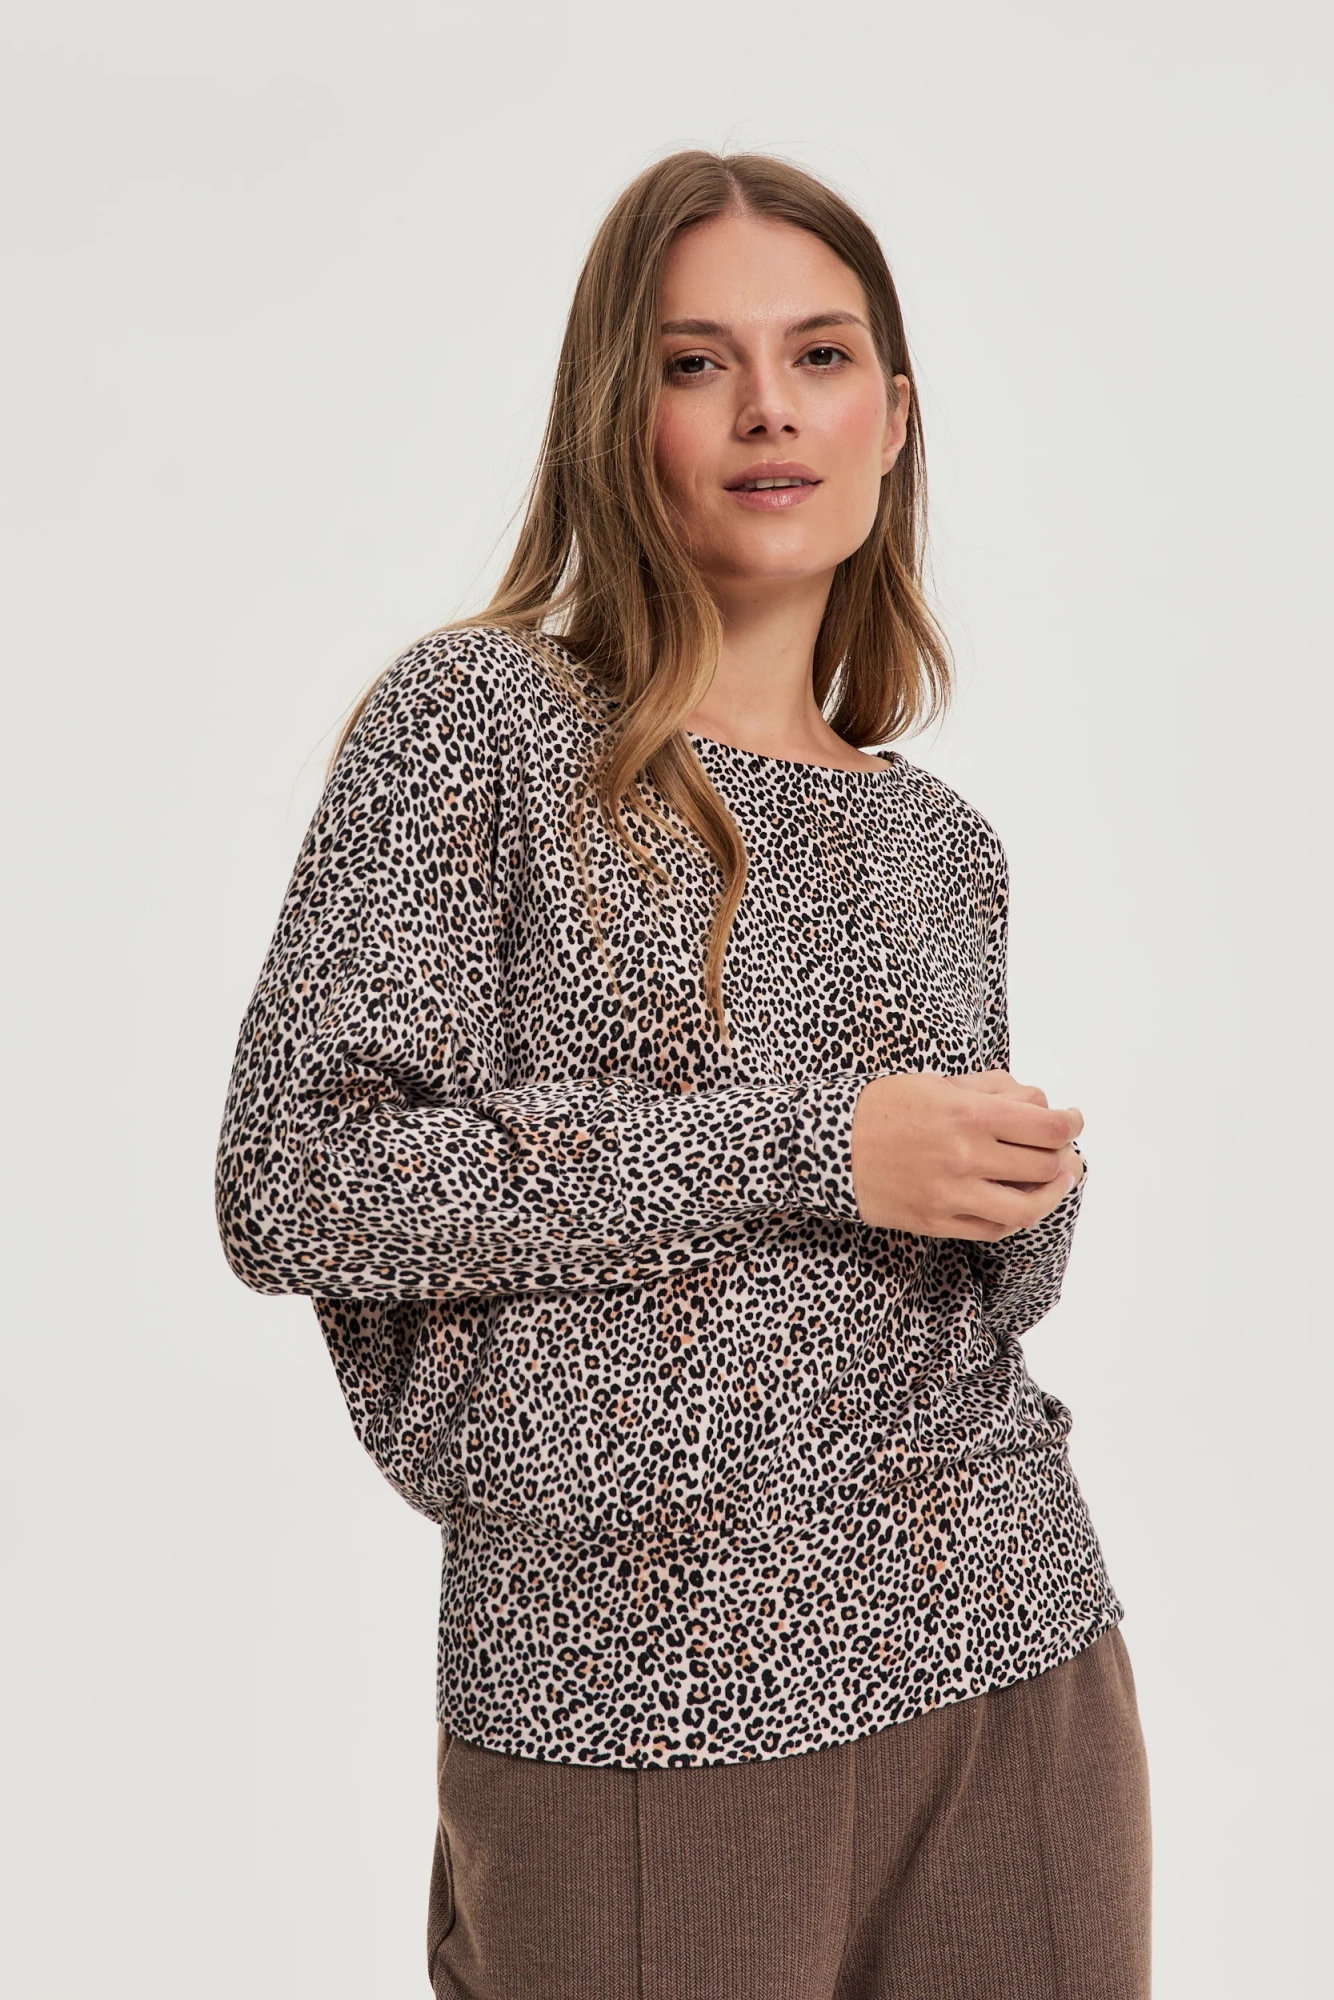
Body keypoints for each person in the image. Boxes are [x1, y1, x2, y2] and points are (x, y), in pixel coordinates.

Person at [215, 150, 1151, 2000]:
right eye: (694, 362)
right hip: (639, 1682)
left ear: (892, 419)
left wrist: (1012, 1194)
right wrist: (818, 1147)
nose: (766, 409)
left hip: (1013, 1655)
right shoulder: (479, 722)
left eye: (819, 355)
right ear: (612, 413)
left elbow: (944, 1298)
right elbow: (295, 1180)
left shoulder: (941, 845)